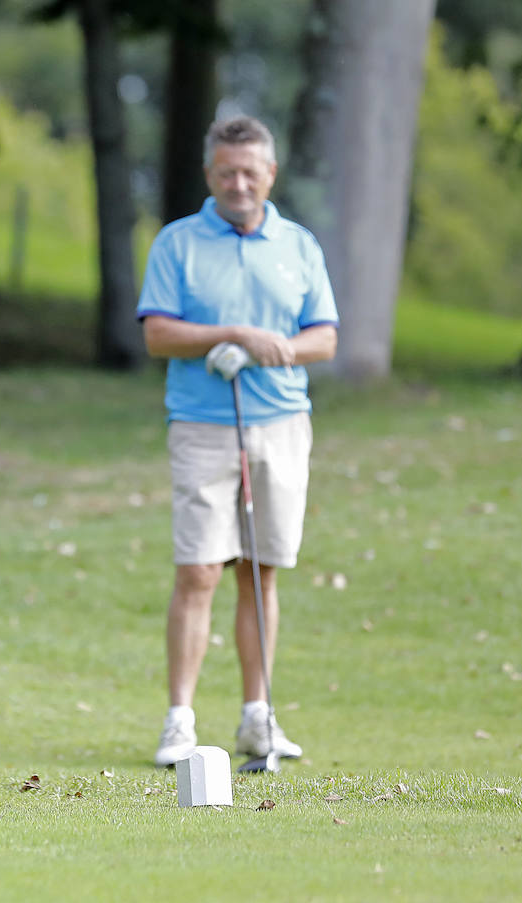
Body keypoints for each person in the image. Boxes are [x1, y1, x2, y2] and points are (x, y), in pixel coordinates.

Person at [135, 115, 339, 767]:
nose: (238, 184)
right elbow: (158, 334)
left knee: (260, 571)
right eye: (226, 173)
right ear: (209, 174)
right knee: (199, 570)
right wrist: (235, 335)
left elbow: (324, 338)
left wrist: (273, 350)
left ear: (270, 174)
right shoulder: (178, 243)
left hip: (281, 425)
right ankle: (179, 722)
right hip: (202, 426)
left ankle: (257, 719)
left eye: (250, 172)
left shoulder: (299, 245)